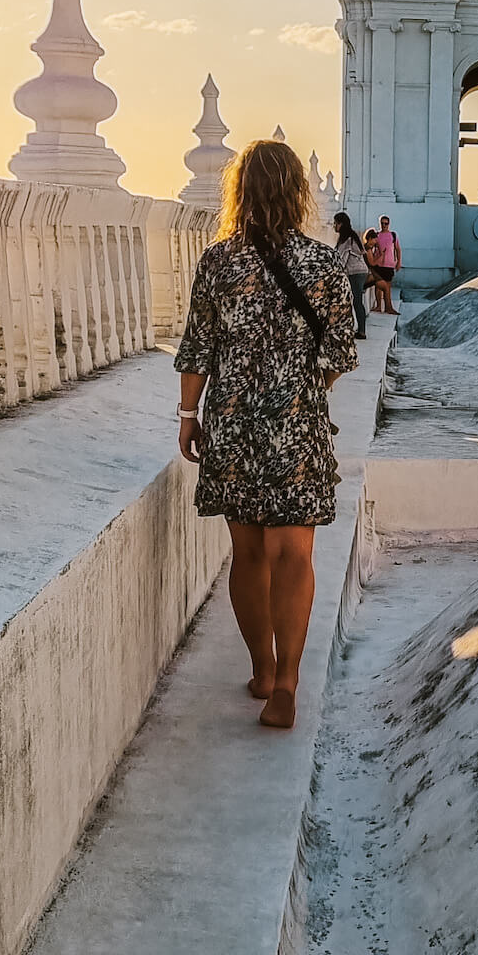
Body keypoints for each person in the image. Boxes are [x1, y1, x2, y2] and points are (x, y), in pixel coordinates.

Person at [174, 137, 357, 731]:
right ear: (297, 193)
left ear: (241, 192)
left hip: (232, 424)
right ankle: (287, 683)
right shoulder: (324, 264)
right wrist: (301, 390)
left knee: (249, 553)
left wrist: (188, 417)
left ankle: (260, 666)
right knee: (295, 553)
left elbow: (198, 349)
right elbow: (339, 352)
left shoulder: (218, 263)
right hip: (296, 423)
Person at [332, 211, 371, 338]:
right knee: (355, 300)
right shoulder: (351, 236)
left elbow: (341, 259)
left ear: (341, 224)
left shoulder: (347, 239)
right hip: (359, 272)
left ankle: (362, 331)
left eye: (336, 223)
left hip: (355, 273)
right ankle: (358, 329)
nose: (334, 226)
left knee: (357, 301)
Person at [371, 213, 401, 314]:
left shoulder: (393, 235)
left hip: (389, 264)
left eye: (386, 223)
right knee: (378, 286)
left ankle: (388, 307)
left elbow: (398, 249)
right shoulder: (377, 235)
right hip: (378, 264)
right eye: (382, 223)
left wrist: (398, 262)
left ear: (389, 224)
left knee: (387, 286)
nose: (384, 225)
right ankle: (378, 306)